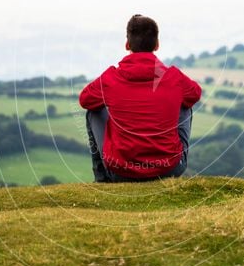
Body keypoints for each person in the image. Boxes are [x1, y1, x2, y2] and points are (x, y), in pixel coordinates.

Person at [79, 14, 202, 182]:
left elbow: (85, 100)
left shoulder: (110, 78)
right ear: (157, 45)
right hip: (169, 169)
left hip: (121, 172)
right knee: (186, 102)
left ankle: (102, 179)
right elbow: (195, 93)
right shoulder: (174, 77)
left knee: (93, 111)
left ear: (127, 44)